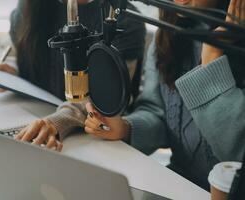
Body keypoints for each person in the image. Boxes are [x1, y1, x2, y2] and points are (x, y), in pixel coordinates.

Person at [82, 0, 245, 191]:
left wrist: (211, 55)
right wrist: (126, 128)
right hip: (177, 183)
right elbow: (157, 113)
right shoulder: (168, 34)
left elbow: (236, 150)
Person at [0, 0, 146, 150]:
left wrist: (57, 122)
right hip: (30, 113)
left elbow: (106, 96)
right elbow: (14, 46)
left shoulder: (124, 19)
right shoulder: (30, 5)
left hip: (96, 140)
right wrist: (10, 69)